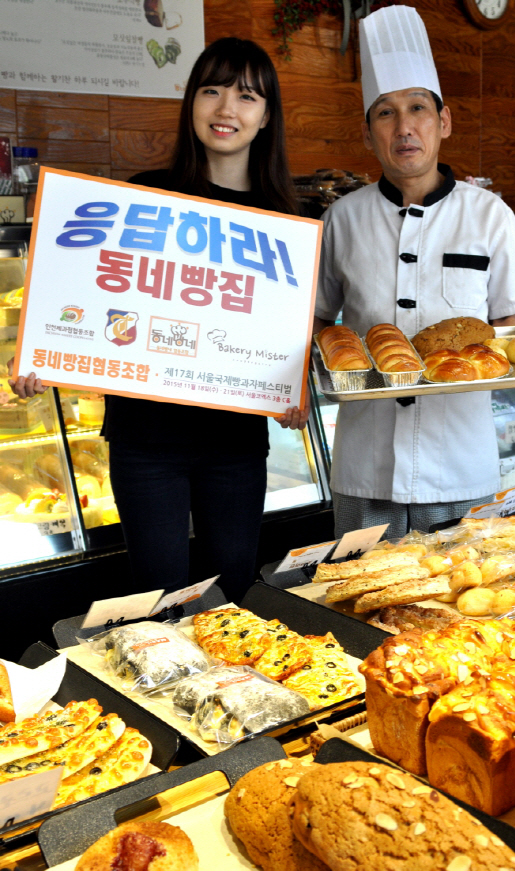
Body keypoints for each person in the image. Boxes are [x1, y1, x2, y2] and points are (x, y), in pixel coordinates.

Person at [9, 37, 308, 602]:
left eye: (246, 97)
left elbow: (287, 335)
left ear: (266, 116)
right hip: (145, 440)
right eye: (211, 91)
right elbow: (88, 295)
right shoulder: (145, 195)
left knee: (235, 591)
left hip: (236, 444)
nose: (226, 110)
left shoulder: (285, 223)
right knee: (159, 596)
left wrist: (291, 391)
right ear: (190, 103)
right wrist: (39, 351)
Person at [314, 5, 515, 539]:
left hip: (460, 462)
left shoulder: (489, 215)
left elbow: (510, 331)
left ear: (443, 121)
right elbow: (319, 323)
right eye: (385, 113)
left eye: (418, 108)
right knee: (359, 599)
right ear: (368, 132)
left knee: (460, 606)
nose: (404, 128)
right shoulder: (341, 219)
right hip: (363, 463)